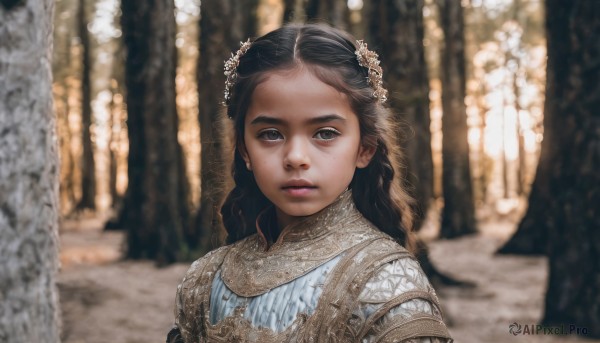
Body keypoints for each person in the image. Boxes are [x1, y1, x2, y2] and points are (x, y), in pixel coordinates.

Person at [167, 23, 453, 343]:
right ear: (245, 150)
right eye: (271, 134)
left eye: (325, 133)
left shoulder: (388, 284)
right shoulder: (204, 278)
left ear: (365, 148)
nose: (296, 157)